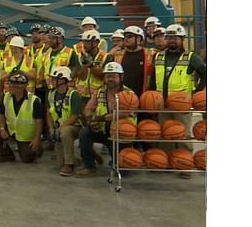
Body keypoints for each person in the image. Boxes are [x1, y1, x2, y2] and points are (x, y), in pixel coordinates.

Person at [149, 24, 207, 178]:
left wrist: (197, 92)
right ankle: (167, 163)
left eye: (175, 38)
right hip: (162, 103)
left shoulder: (191, 57)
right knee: (165, 135)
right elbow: (153, 80)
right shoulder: (159, 56)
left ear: (182, 39)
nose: (171, 41)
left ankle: (185, 165)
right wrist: (152, 97)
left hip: (182, 105)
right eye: (169, 38)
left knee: (183, 136)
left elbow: (205, 73)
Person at [76, 62, 136, 176]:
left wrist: (103, 118)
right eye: (108, 76)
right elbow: (88, 109)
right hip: (102, 131)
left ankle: (117, 160)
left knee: (122, 172)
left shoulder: (129, 94)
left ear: (121, 77)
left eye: (113, 76)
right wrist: (91, 120)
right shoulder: (100, 92)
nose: (110, 79)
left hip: (121, 135)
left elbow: (126, 113)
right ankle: (89, 166)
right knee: (84, 133)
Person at [0, 73, 45, 163]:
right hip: (11, 131)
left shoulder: (34, 100)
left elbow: (39, 121)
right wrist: (2, 129)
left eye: (12, 85)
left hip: (26, 137)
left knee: (27, 159)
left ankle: (37, 148)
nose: (9, 87)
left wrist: (37, 138)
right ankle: (7, 155)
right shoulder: (6, 97)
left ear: (21, 87)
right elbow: (1, 114)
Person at [46, 67, 84, 176]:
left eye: (54, 79)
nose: (51, 81)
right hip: (59, 126)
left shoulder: (74, 95)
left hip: (75, 126)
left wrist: (60, 127)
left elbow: (75, 116)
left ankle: (69, 164)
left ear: (63, 80)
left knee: (65, 131)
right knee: (60, 163)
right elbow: (48, 113)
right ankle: (73, 159)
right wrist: (51, 128)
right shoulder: (51, 94)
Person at [112, 26, 153, 96]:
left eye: (129, 36)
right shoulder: (117, 55)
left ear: (138, 39)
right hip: (122, 96)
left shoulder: (150, 54)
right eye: (125, 37)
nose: (126, 39)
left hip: (143, 97)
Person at [74, 30, 110, 99]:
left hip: (98, 96)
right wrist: (84, 64)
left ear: (96, 42)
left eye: (87, 42)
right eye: (83, 42)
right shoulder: (79, 56)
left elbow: (102, 77)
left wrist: (91, 65)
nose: (84, 45)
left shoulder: (106, 57)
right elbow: (82, 77)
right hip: (81, 95)